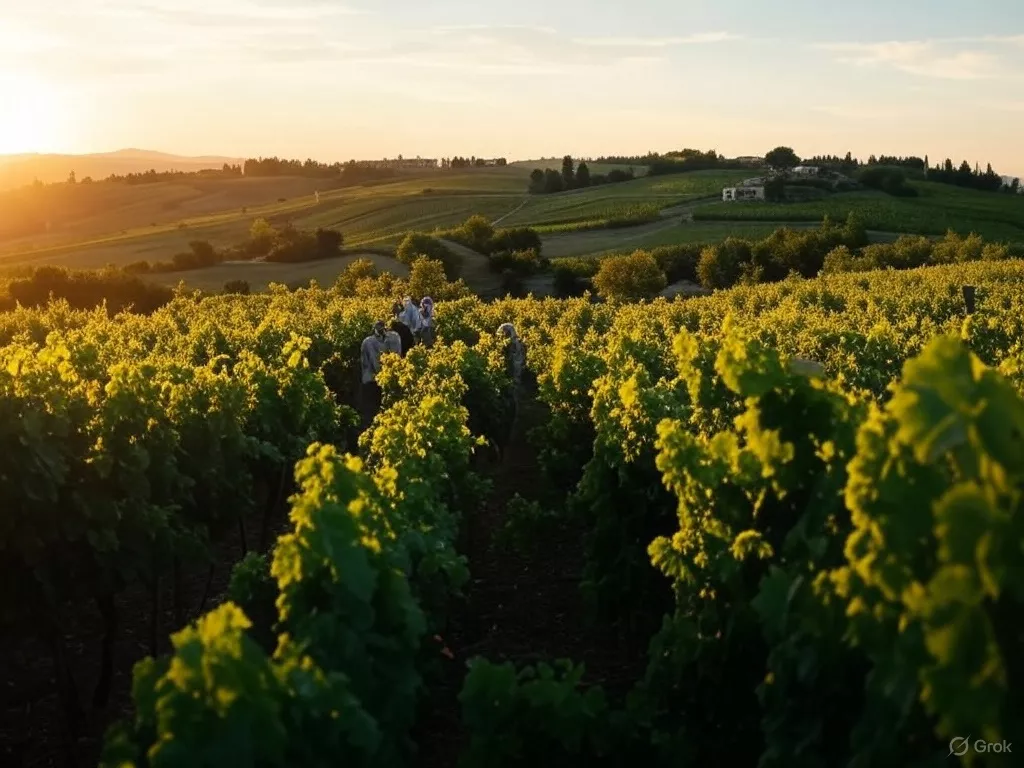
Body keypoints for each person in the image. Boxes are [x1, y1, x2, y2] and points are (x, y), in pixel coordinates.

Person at [359, 321, 387, 429]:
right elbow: (374, 361)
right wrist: (383, 376)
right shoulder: (371, 343)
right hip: (373, 380)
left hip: (367, 378)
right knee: (374, 409)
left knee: (368, 409)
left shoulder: (367, 341)